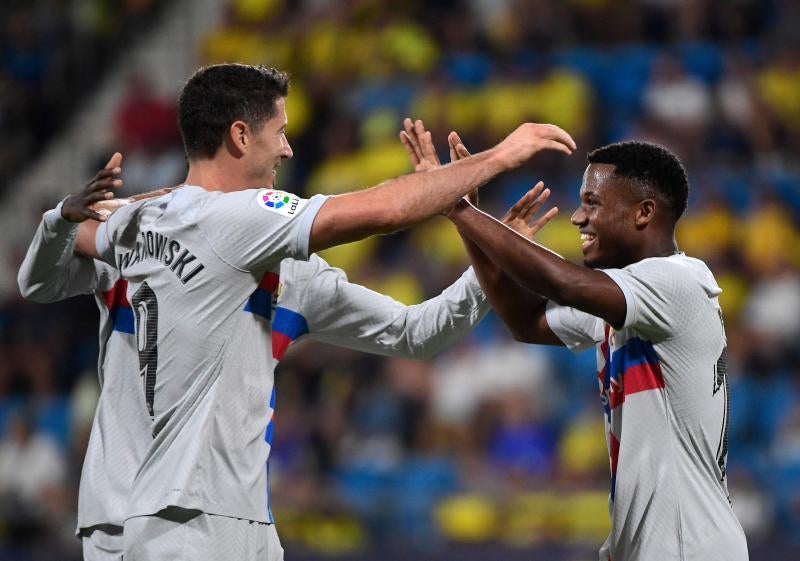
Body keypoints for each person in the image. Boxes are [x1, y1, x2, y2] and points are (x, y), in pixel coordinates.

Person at [34, 62, 573, 561]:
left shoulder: (139, 225)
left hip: (195, 512)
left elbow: (415, 332)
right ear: (240, 136)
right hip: (186, 515)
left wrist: (61, 219)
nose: (290, 149)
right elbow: (388, 207)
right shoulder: (227, 219)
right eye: (280, 132)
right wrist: (499, 157)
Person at [402, 123, 748, 561]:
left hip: (690, 548)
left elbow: (564, 283)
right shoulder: (625, 301)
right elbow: (525, 322)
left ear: (643, 213)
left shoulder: (680, 282)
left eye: (592, 203)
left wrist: (453, 203)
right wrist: (463, 215)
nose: (577, 218)